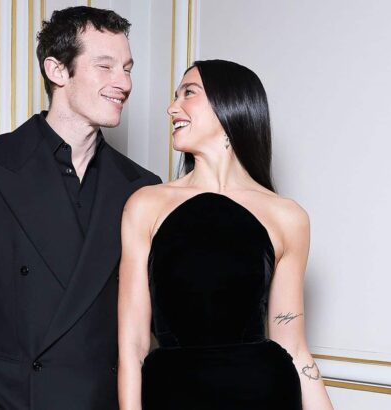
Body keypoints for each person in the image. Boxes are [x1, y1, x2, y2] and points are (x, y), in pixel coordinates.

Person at [0, 6, 160, 410]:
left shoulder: (142, 187)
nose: (124, 83)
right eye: (105, 66)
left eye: (127, 69)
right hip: (9, 400)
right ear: (57, 70)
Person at [117, 60, 334, 409]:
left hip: (266, 394)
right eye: (175, 96)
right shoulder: (145, 205)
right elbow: (133, 347)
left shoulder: (288, 216)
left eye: (188, 93)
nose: (172, 108)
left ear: (229, 105)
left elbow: (293, 346)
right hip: (173, 395)